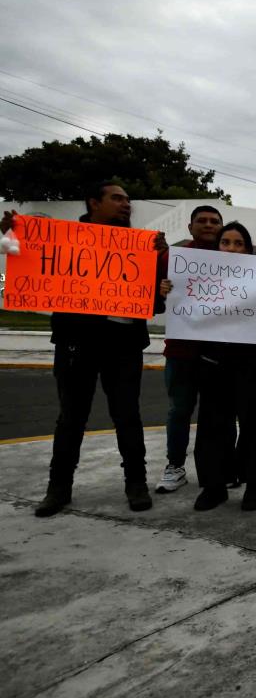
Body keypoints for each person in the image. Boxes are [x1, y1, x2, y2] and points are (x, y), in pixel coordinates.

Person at [2, 182, 167, 517]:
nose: (125, 205)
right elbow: (29, 260)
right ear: (94, 202)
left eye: (128, 200)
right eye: (117, 198)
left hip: (123, 346)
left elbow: (154, 304)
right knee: (71, 418)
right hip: (77, 344)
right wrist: (13, 233)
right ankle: (58, 489)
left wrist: (159, 266)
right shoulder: (62, 240)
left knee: (127, 417)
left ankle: (136, 484)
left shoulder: (142, 246)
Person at [161, 222, 256, 512]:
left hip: (254, 364)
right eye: (226, 242)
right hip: (214, 363)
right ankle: (214, 486)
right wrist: (170, 290)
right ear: (217, 246)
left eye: (239, 243)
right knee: (212, 425)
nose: (232, 248)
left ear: (248, 249)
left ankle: (254, 485)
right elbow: (184, 308)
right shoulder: (198, 278)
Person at [155, 205, 223, 493]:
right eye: (202, 221)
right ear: (190, 227)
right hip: (182, 352)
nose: (208, 225)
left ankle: (219, 468)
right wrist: (161, 291)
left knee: (217, 415)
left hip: (220, 355)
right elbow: (153, 303)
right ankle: (175, 466)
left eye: (214, 221)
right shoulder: (171, 258)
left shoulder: (237, 261)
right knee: (179, 411)